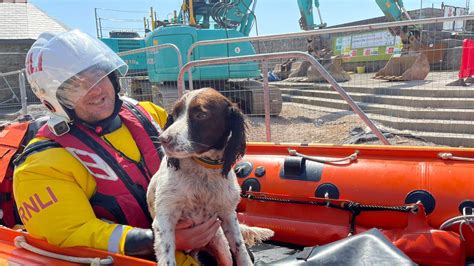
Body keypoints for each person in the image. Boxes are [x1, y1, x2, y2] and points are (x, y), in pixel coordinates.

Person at [13, 29, 221, 264]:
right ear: (54, 101)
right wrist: (162, 238)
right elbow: (72, 233)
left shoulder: (148, 114)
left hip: (201, 243)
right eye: (75, 87)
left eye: (98, 76)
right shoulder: (40, 167)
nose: (96, 91)